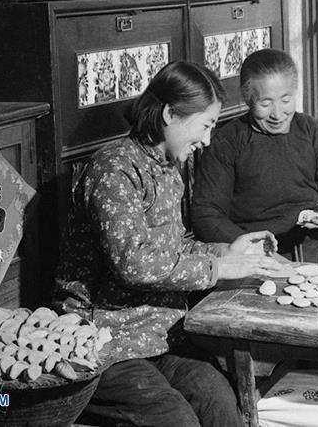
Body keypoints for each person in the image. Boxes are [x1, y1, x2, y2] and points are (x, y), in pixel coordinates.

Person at [53, 61, 284, 427]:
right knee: (178, 421)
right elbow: (135, 264)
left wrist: (225, 251)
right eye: (205, 125)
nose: (207, 140)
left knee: (224, 406)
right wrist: (218, 269)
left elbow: (173, 247)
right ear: (169, 114)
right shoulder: (114, 169)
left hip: (161, 335)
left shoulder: (168, 169)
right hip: (104, 342)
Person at [192, 48, 318, 264]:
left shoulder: (316, 133)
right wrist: (252, 248)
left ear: (295, 92)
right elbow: (207, 213)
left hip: (316, 251)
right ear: (248, 99)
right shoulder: (227, 142)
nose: (277, 114)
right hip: (253, 255)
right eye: (265, 104)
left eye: (285, 100)